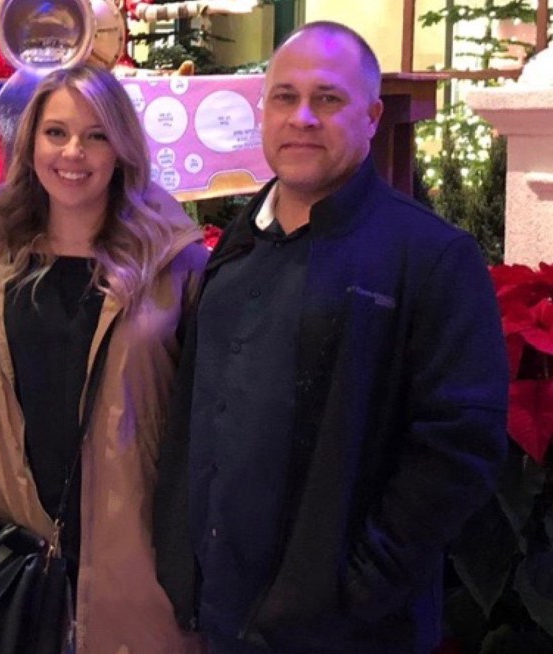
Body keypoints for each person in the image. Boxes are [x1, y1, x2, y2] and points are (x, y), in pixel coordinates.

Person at [163, 21, 509, 654]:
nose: (302, 117)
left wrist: (351, 591)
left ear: (371, 117)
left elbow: (460, 448)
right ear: (262, 111)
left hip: (351, 633)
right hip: (220, 619)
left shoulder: (431, 258)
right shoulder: (235, 246)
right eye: (285, 97)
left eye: (327, 98)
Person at [0, 64, 208, 654]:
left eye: (97, 135)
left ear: (122, 148)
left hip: (135, 552)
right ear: (30, 143)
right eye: (56, 133)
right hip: (19, 552)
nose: (74, 152)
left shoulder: (174, 262)